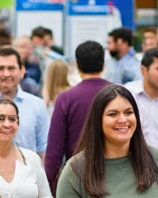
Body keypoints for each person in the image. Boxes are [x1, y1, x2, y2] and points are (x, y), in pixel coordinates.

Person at [43, 41, 112, 189]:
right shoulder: (118, 94)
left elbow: (55, 149)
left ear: (78, 66)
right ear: (103, 64)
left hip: (78, 176)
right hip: (114, 173)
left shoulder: (66, 98)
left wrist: (47, 186)